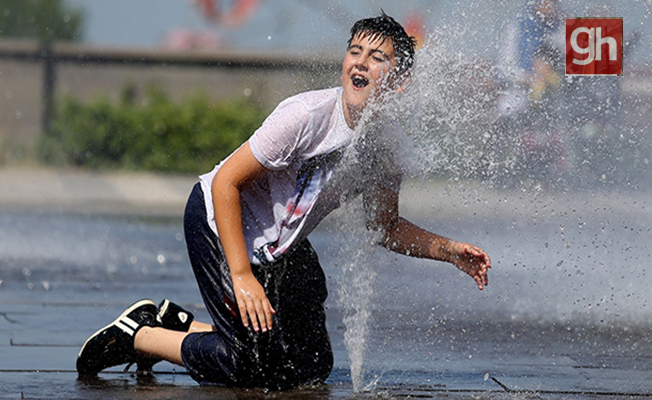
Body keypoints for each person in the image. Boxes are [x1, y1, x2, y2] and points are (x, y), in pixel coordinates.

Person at [76, 11, 491, 390]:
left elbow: (384, 227)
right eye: (355, 51)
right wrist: (241, 276)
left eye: (377, 57)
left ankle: (180, 326)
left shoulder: (387, 148)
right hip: (220, 220)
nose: (361, 62)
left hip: (279, 247)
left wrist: (448, 250)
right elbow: (225, 183)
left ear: (399, 81)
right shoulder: (305, 117)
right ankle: (141, 334)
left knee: (309, 367)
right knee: (247, 367)